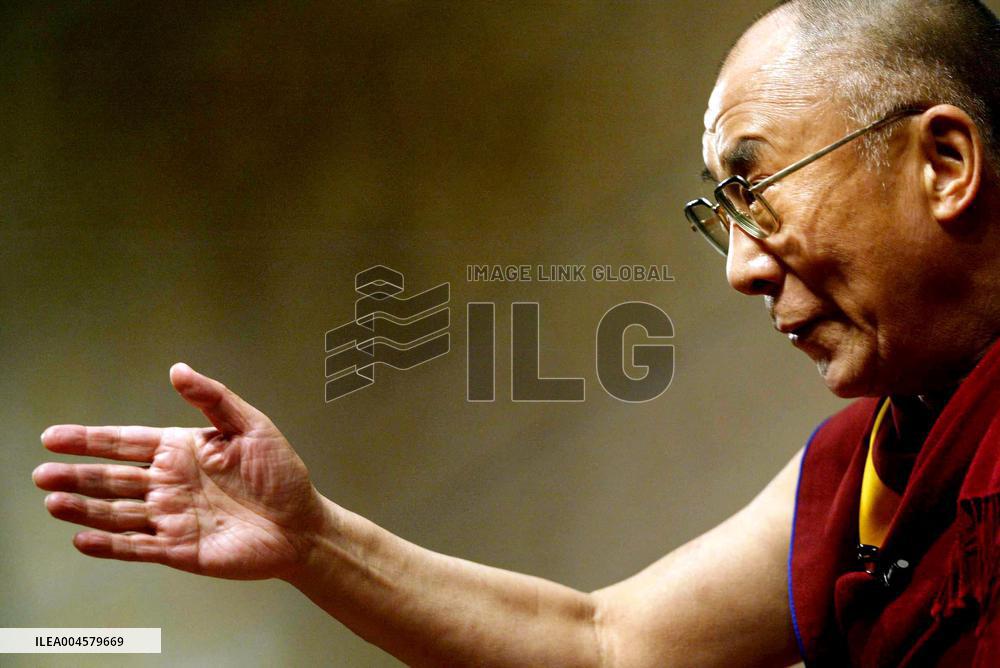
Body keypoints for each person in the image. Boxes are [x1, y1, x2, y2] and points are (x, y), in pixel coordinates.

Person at [32, 0, 1000, 665]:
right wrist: (311, 538)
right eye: (724, 215)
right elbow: (606, 643)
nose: (741, 267)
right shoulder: (872, 469)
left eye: (756, 191)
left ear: (945, 163)